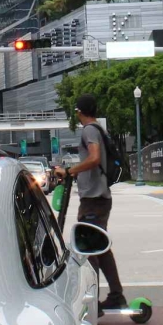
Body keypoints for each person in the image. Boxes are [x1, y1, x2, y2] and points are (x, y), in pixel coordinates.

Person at [54, 94, 127, 312]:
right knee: (101, 249)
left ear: (79, 112)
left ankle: (93, 305)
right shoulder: (98, 129)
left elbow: (94, 158)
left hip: (94, 200)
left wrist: (70, 171)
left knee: (89, 250)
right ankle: (116, 295)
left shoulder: (89, 130)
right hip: (98, 197)